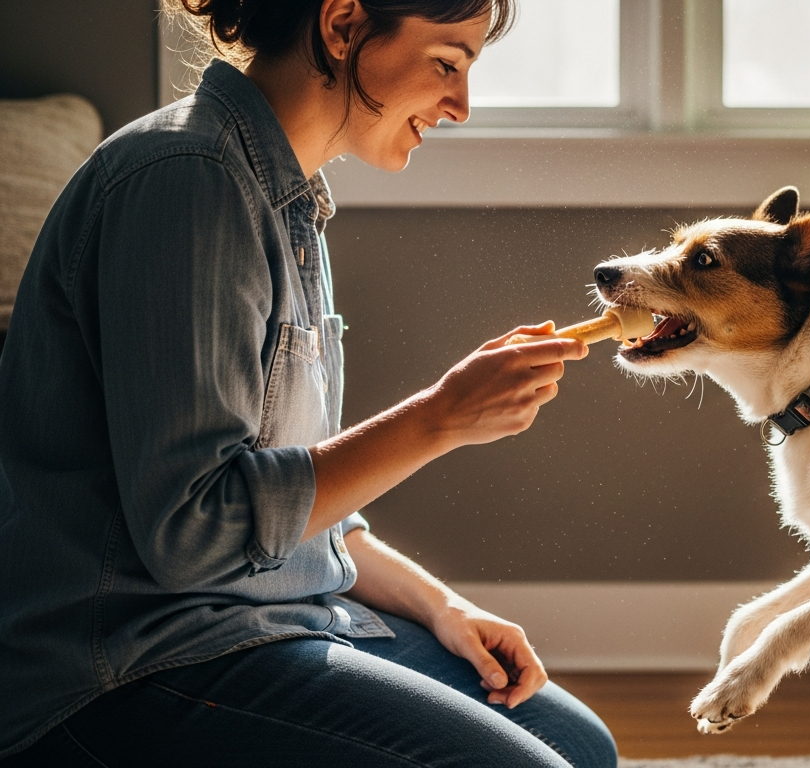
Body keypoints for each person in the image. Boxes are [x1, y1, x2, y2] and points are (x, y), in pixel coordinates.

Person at [0, 1, 616, 766]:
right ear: (342, 24)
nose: (460, 107)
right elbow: (198, 530)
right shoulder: (187, 183)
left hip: (266, 624)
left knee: (579, 746)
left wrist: (440, 605)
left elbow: (292, 503)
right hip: (126, 667)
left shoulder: (281, 198)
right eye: (447, 64)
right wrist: (439, 418)